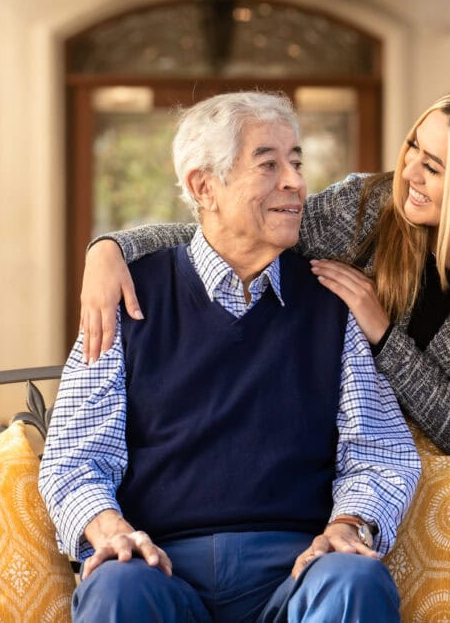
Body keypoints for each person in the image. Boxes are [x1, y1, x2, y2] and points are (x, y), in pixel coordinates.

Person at [39, 91, 420, 623]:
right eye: (268, 164)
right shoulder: (125, 297)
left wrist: (348, 525)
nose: (295, 182)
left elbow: (379, 453)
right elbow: (75, 458)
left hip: (298, 571)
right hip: (161, 567)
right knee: (117, 588)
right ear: (204, 187)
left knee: (355, 579)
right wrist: (110, 530)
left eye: (296, 162)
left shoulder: (334, 302)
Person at [78, 85, 450, 457]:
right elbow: (241, 229)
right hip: (327, 459)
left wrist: (383, 334)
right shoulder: (369, 207)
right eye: (413, 148)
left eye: (433, 167)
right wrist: (112, 248)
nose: (408, 172)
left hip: (417, 477)